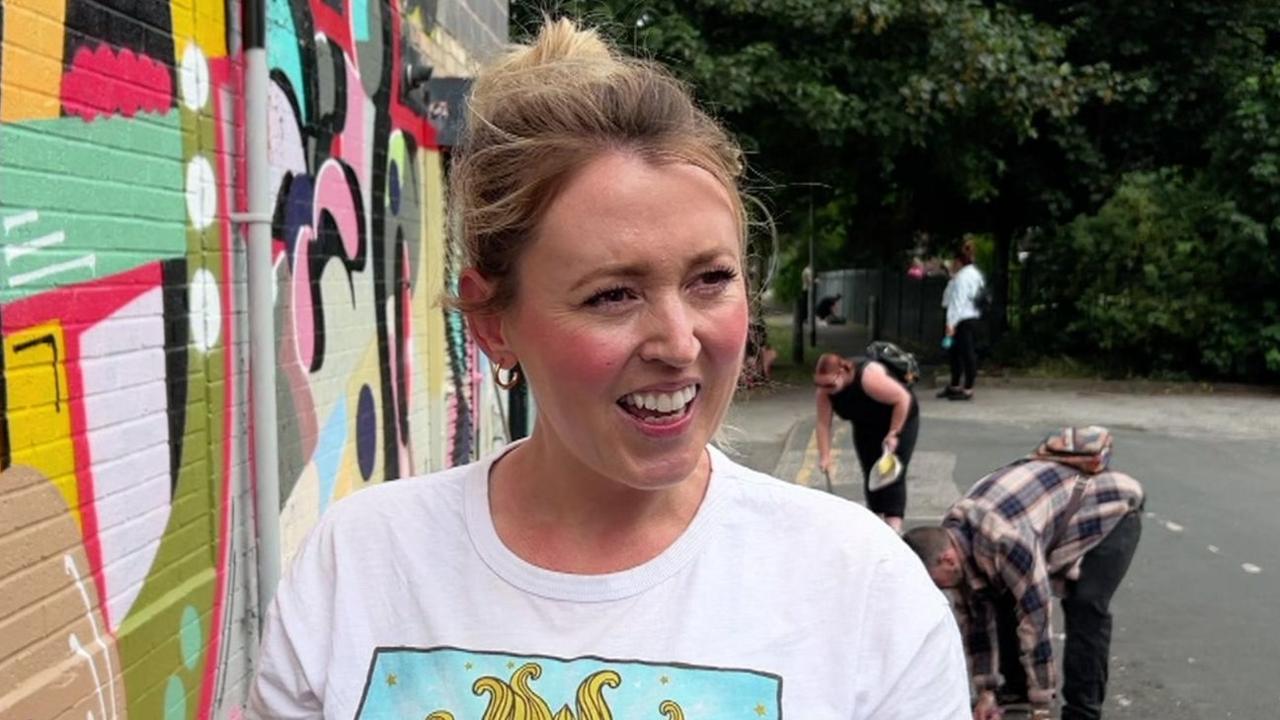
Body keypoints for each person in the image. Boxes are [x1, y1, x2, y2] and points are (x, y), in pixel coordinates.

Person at [249, 18, 970, 719]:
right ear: (494, 324)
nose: (679, 342)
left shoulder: (864, 593)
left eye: (710, 279)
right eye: (613, 295)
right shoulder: (360, 566)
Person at [903, 427, 1144, 720]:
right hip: (1053, 516)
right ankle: (1013, 692)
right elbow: (976, 621)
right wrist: (986, 692)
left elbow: (1037, 619)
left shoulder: (1006, 540)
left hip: (1108, 512)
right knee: (996, 592)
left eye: (935, 582)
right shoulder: (950, 534)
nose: (939, 591)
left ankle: (1082, 711)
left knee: (1085, 605)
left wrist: (1042, 705)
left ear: (948, 559)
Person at [814, 352, 919, 532]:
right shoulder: (825, 392)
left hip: (899, 419)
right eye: (819, 384)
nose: (825, 389)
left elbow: (903, 398)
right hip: (865, 424)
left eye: (830, 384)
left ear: (842, 372)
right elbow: (823, 424)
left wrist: (894, 433)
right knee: (871, 470)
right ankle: (877, 523)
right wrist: (825, 456)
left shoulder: (869, 379)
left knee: (891, 472)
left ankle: (894, 529)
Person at [939, 239, 985, 400]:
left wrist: (950, 324)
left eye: (954, 261)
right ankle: (956, 385)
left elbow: (957, 302)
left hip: (962, 320)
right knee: (957, 353)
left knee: (964, 354)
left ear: (959, 261)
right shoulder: (974, 274)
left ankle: (966, 389)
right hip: (972, 317)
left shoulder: (962, 278)